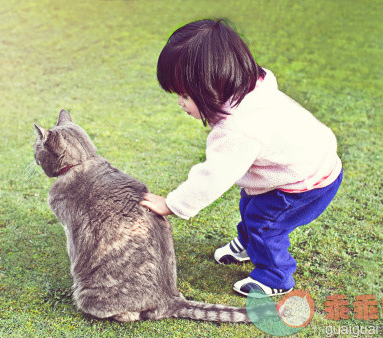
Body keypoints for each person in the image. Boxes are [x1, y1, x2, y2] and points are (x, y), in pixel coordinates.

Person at [140, 19, 342, 297]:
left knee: (265, 221)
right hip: (306, 164)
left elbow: (213, 177)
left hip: (306, 183)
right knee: (251, 204)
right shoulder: (251, 87)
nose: (180, 103)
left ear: (210, 86)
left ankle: (275, 275)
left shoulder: (239, 128)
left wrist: (172, 204)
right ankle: (249, 244)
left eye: (185, 95)